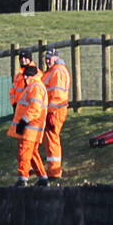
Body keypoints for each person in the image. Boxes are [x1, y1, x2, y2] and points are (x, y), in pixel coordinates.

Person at [6, 64, 46, 187]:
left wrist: (23, 121)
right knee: (32, 153)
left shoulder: (35, 87)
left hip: (30, 128)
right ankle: (42, 178)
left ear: (28, 76)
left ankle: (23, 179)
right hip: (31, 127)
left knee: (24, 152)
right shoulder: (35, 86)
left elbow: (35, 108)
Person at [38, 48, 70, 186]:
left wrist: (50, 112)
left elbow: (57, 95)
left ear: (56, 58)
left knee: (52, 139)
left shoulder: (58, 72)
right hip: (50, 111)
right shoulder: (50, 72)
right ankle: (51, 169)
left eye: (50, 57)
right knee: (49, 139)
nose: (47, 59)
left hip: (55, 111)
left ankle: (54, 172)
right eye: (46, 57)